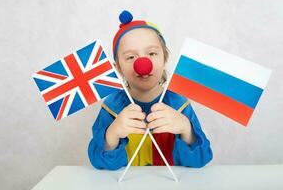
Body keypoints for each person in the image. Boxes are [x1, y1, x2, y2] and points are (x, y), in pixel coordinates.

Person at [88, 10, 213, 170]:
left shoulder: (179, 103)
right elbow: (99, 162)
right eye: (131, 57)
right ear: (118, 68)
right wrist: (111, 135)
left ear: (165, 58)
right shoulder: (112, 106)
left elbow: (201, 159)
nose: (142, 63)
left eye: (152, 53)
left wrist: (186, 129)